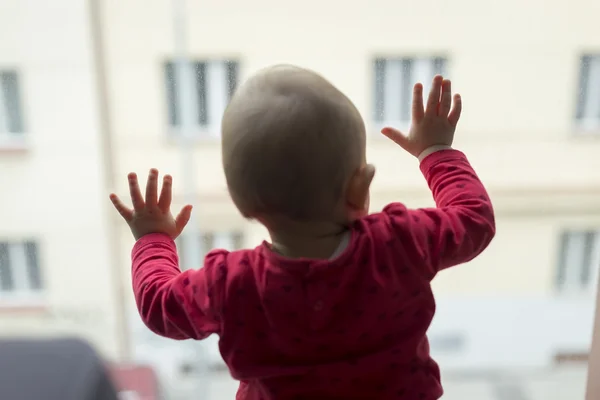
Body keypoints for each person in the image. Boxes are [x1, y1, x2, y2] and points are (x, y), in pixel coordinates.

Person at [110, 66, 496, 400]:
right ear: (359, 189)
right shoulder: (400, 243)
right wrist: (436, 152)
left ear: (243, 204)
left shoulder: (232, 286)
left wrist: (153, 239)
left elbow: (158, 304)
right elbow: (474, 219)